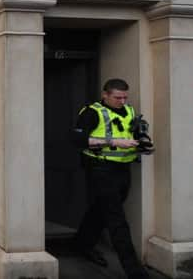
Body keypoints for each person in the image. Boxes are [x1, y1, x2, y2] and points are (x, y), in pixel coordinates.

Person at [71, 78, 150, 279]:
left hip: (123, 167)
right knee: (117, 219)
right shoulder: (92, 112)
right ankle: (135, 272)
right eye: (117, 97)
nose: (122, 101)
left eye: (125, 97)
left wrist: (140, 142)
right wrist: (114, 141)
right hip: (100, 167)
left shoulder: (129, 110)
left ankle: (82, 244)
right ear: (105, 95)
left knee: (102, 208)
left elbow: (129, 131)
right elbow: (78, 140)